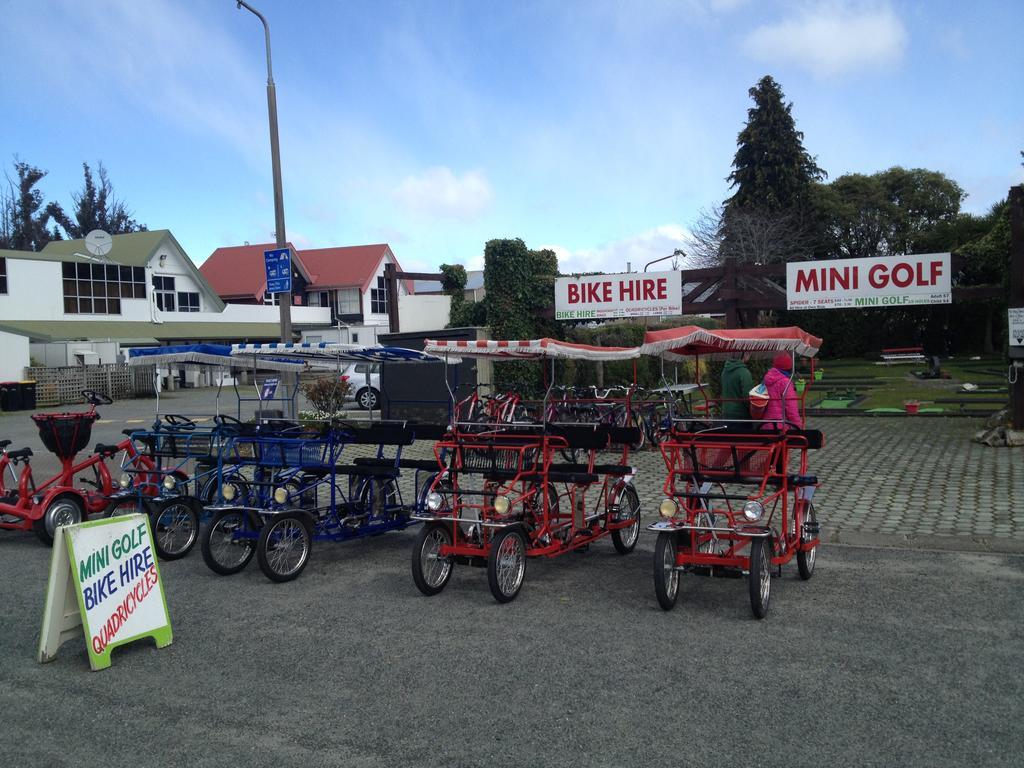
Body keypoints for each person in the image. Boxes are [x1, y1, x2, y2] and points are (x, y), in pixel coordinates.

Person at [761, 352, 803, 432]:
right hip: (781, 426)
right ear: (790, 366)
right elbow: (791, 407)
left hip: (765, 424)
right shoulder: (785, 382)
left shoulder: (765, 379)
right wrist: (798, 426)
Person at [720, 352, 753, 429]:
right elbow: (747, 396)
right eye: (749, 353)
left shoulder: (724, 371)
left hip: (726, 412)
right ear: (744, 355)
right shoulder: (744, 372)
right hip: (741, 414)